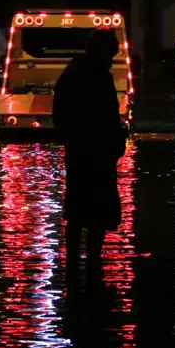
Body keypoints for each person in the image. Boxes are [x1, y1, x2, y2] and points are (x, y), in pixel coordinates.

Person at [53, 28, 127, 280]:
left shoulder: (72, 74)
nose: (111, 61)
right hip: (96, 154)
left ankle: (74, 265)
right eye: (110, 55)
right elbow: (105, 116)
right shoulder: (96, 77)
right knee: (95, 211)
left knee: (78, 209)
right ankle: (91, 263)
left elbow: (60, 116)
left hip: (81, 153)